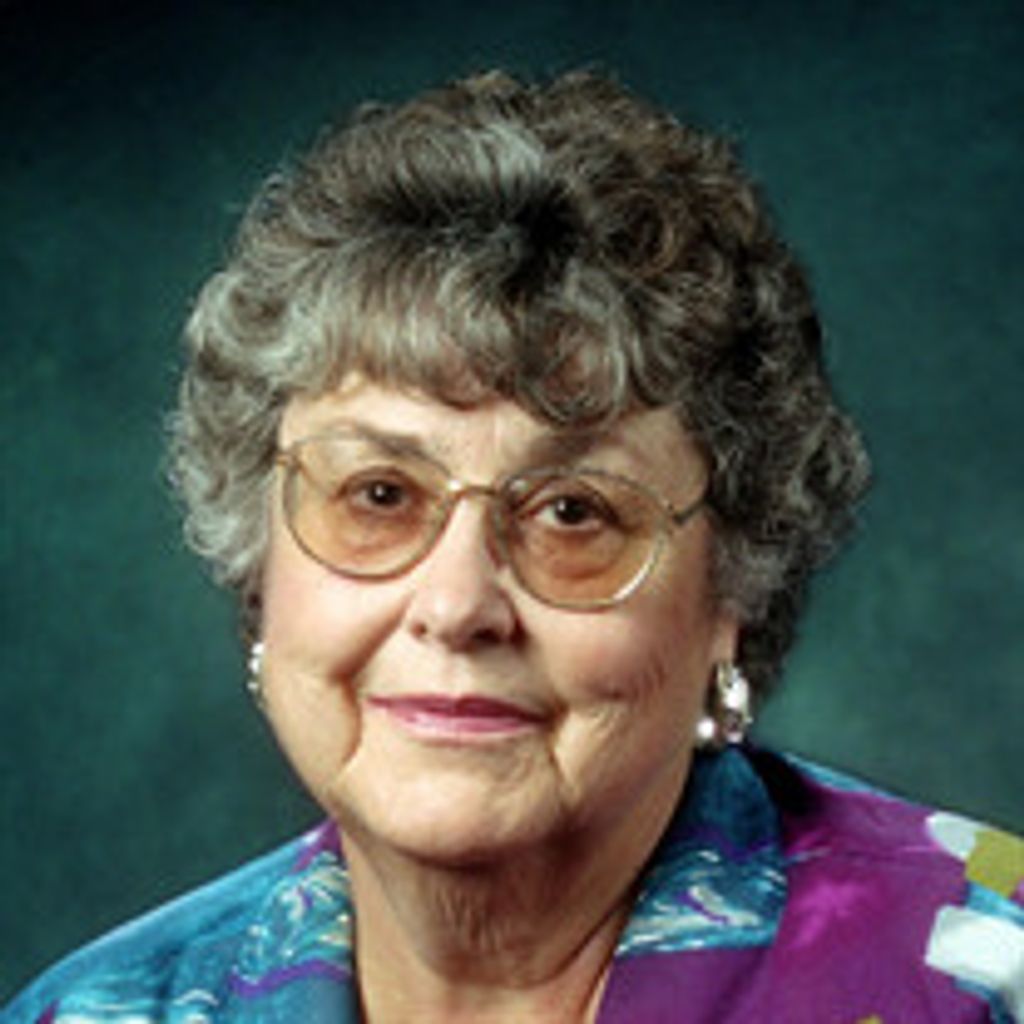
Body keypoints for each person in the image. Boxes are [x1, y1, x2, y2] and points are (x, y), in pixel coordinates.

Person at [5, 69, 1022, 1024]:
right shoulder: (98, 1011)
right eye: (379, 494)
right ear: (260, 562)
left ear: (732, 591)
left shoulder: (987, 975)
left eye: (573, 512)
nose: (456, 605)